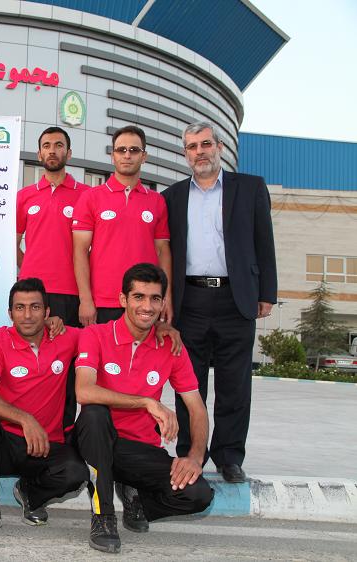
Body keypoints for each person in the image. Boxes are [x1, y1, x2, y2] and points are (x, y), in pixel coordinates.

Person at [162, 122, 277, 483]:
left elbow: (264, 241)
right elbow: (166, 252)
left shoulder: (250, 188)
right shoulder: (172, 196)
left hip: (236, 298)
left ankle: (229, 457)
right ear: (185, 154)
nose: (200, 152)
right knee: (188, 383)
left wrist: (267, 292)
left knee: (235, 384)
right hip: (189, 300)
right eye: (192, 146)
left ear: (220, 147)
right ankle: (189, 453)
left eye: (206, 144)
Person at [75, 263, 213, 554]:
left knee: (198, 493)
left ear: (163, 303)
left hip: (139, 451)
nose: (147, 306)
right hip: (95, 443)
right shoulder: (96, 334)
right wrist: (147, 402)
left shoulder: (171, 345)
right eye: (138, 297)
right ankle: (103, 517)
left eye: (154, 298)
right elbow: (84, 391)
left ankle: (137, 499)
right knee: (94, 413)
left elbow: (197, 409)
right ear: (123, 299)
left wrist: (195, 458)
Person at [0, 278, 88, 537]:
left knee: (76, 473)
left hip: (46, 445)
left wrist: (162, 328)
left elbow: (111, 335)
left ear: (47, 312)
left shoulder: (66, 338)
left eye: (35, 307)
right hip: (5, 445)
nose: (28, 315)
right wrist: (26, 419)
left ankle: (31, 494)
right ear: (10, 313)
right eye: (20, 308)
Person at [17, 126, 91, 432]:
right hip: (32, 297)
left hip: (71, 295)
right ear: (39, 154)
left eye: (58, 145)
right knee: (32, 365)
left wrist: (87, 297)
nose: (52, 150)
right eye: (46, 145)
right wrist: (28, 270)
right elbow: (12, 242)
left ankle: (65, 433)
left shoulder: (86, 195)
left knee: (69, 369)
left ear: (68, 153)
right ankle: (29, 431)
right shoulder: (24, 196)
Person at [72, 125, 172, 327]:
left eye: (134, 150)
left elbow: (163, 252)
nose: (127, 155)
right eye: (121, 150)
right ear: (113, 156)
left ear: (144, 156)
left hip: (146, 302)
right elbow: (79, 251)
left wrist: (167, 297)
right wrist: (85, 299)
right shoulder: (91, 197)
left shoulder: (157, 201)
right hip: (103, 302)